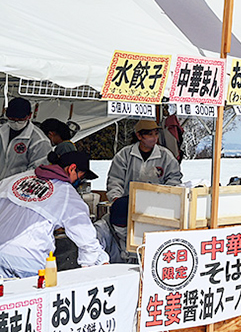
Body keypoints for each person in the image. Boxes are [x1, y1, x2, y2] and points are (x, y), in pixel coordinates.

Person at [0, 150, 107, 278]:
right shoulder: (66, 192)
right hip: (28, 259)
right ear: (72, 169)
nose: (80, 182)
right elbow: (84, 235)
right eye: (81, 177)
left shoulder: (15, 179)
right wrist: (95, 263)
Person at [106, 119, 183, 209]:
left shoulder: (166, 156)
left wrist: (165, 198)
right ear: (139, 136)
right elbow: (115, 180)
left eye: (156, 134)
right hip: (129, 205)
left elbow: (174, 180)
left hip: (158, 206)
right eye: (150, 135)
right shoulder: (124, 155)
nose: (154, 138)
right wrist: (117, 201)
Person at [0, 97, 52, 181]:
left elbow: (37, 170)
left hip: (16, 187)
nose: (16, 123)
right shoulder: (1, 130)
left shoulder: (39, 141)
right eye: (12, 120)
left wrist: (13, 183)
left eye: (20, 120)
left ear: (29, 116)